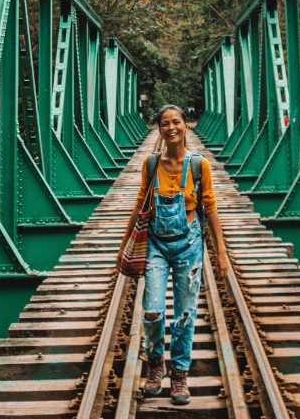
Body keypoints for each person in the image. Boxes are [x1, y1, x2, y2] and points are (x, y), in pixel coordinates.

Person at [116, 104, 230, 405]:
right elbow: (140, 203)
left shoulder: (198, 165)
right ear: (159, 128)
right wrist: (124, 243)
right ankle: (155, 364)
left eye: (176, 122)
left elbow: (211, 207)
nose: (171, 128)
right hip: (155, 243)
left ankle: (179, 374)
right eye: (165, 123)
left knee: (185, 314)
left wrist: (221, 251)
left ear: (185, 126)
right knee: (152, 310)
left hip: (189, 244)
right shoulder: (151, 164)